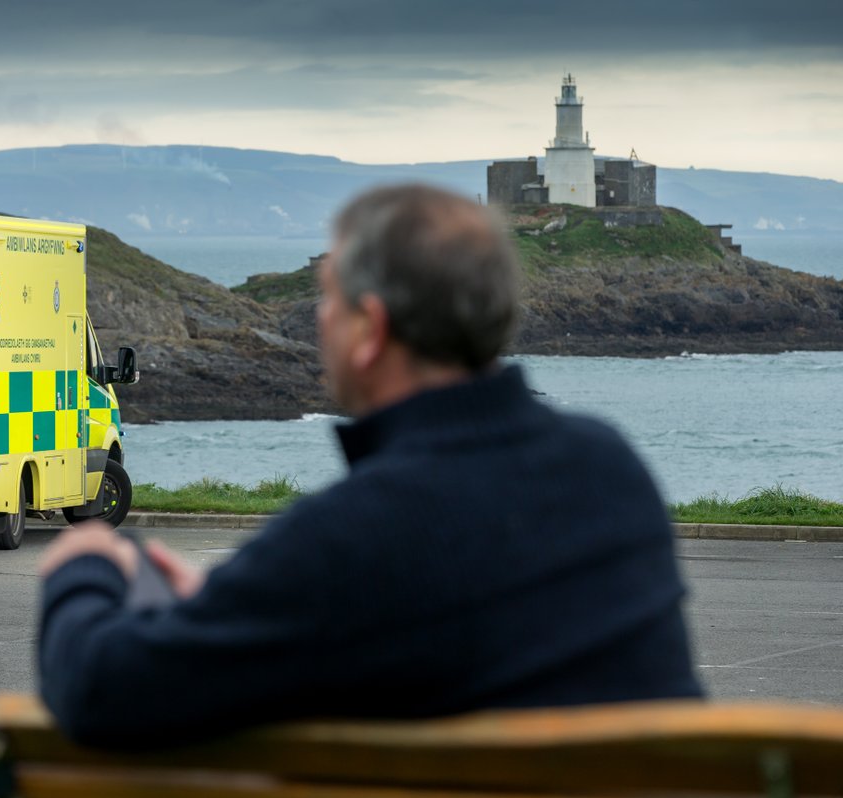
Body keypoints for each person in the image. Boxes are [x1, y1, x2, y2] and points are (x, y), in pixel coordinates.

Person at [36, 184, 703, 749]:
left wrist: (86, 564)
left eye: (329, 299)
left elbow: (101, 691)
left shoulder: (355, 536)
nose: (319, 321)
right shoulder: (611, 470)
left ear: (370, 330)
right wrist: (222, 608)